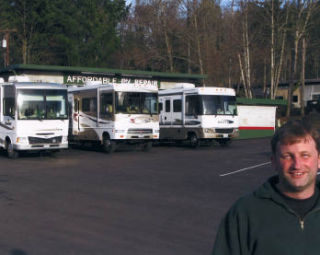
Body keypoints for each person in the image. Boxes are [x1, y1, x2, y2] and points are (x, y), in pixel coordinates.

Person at [212, 116, 320, 255]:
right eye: (287, 156)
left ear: (318, 160)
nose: (297, 165)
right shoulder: (244, 213)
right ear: (273, 161)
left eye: (305, 155)